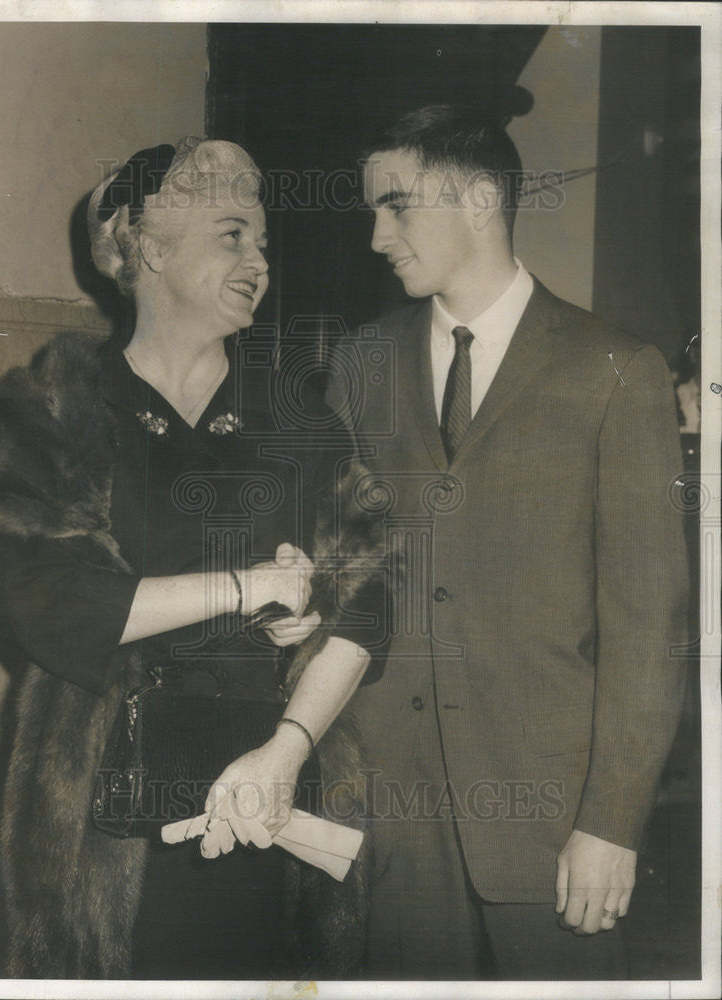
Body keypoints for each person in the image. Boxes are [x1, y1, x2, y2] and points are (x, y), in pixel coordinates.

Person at [0, 138, 385, 979]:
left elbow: (372, 591)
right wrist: (246, 587)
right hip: (105, 806)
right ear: (149, 247)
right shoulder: (51, 407)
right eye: (231, 235)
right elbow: (57, 607)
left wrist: (288, 743)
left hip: (276, 792)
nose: (259, 259)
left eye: (261, 239)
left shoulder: (296, 413)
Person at [328, 105, 689, 979]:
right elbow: (346, 575)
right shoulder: (358, 364)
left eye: (398, 207)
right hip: (389, 820)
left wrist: (610, 821)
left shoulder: (614, 370)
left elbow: (649, 626)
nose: (376, 237)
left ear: (481, 199)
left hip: (554, 822)